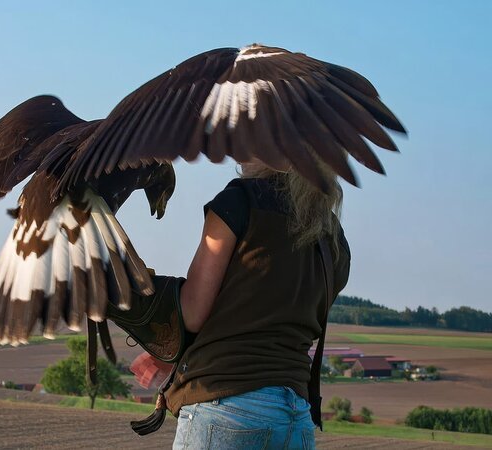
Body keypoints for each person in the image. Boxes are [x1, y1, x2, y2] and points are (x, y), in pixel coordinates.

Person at [131, 157, 351, 450]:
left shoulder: (238, 201)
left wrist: (125, 290)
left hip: (225, 408)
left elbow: (193, 313)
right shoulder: (332, 235)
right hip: (295, 419)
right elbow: (274, 315)